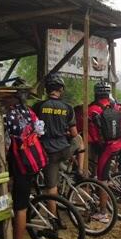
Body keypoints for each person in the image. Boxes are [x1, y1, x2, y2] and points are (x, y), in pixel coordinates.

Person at [3, 79, 45, 239]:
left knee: (19, 207)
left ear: (12, 97)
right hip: (33, 163)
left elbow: (4, 147)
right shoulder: (29, 112)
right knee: (21, 202)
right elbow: (40, 131)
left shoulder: (7, 117)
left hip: (18, 165)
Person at [33, 73, 77, 214]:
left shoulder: (38, 106)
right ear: (61, 90)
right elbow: (75, 133)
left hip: (49, 152)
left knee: (51, 188)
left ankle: (53, 219)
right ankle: (77, 169)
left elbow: (33, 128)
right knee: (79, 140)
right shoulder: (68, 107)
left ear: (47, 90)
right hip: (65, 150)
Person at [88, 81, 121, 222]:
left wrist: (95, 141)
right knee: (104, 172)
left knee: (101, 179)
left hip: (105, 148)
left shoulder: (93, 109)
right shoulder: (116, 107)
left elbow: (91, 132)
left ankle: (103, 212)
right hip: (118, 145)